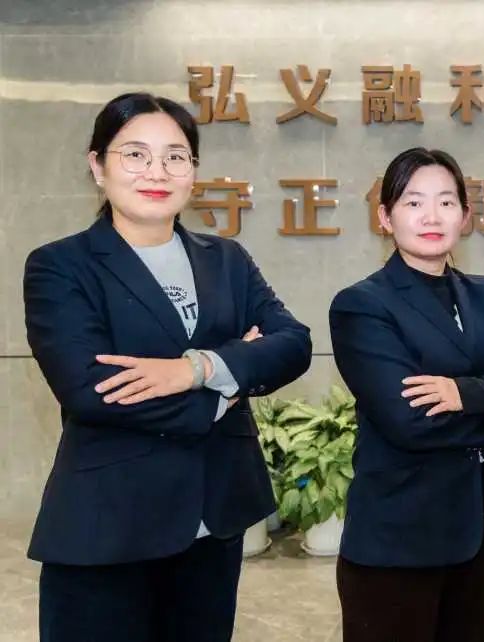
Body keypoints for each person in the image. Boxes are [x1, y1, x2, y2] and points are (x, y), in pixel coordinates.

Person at [24, 92, 313, 642]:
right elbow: (93, 390)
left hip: (213, 520)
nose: (157, 171)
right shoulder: (61, 266)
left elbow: (292, 343)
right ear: (97, 166)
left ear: (193, 172)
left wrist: (198, 368)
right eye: (135, 154)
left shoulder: (226, 259)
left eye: (176, 157)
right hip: (108, 528)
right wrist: (228, 387)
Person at [329, 147, 484, 642]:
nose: (432, 216)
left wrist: (462, 393)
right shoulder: (362, 306)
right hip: (399, 538)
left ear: (465, 216)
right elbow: (408, 420)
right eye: (413, 202)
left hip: (476, 528)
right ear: (385, 217)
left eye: (446, 202)